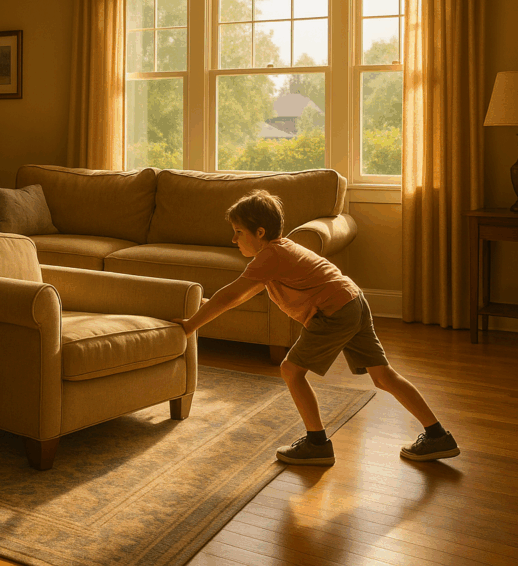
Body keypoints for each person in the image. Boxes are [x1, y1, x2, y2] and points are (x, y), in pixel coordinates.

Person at [174, 189, 459, 465]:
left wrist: (190, 326)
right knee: (382, 376)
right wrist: (203, 307)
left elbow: (232, 295)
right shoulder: (281, 252)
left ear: (259, 232)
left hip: (334, 311)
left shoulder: (271, 255)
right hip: (353, 300)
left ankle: (317, 444)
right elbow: (240, 295)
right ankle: (438, 436)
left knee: (291, 370)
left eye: (238, 231)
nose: (233, 239)